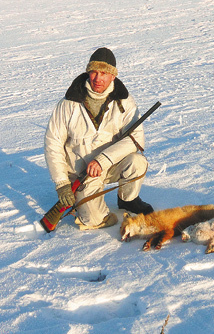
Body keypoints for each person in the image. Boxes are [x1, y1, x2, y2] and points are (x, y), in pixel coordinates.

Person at [44, 47, 154, 230]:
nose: (98, 78)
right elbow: (52, 143)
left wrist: (102, 160)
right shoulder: (68, 104)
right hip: (82, 175)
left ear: (113, 76)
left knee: (137, 162)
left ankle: (128, 200)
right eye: (94, 72)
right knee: (94, 221)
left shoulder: (125, 101)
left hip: (110, 166)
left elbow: (136, 139)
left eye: (104, 73)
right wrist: (62, 184)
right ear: (88, 72)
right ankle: (87, 206)